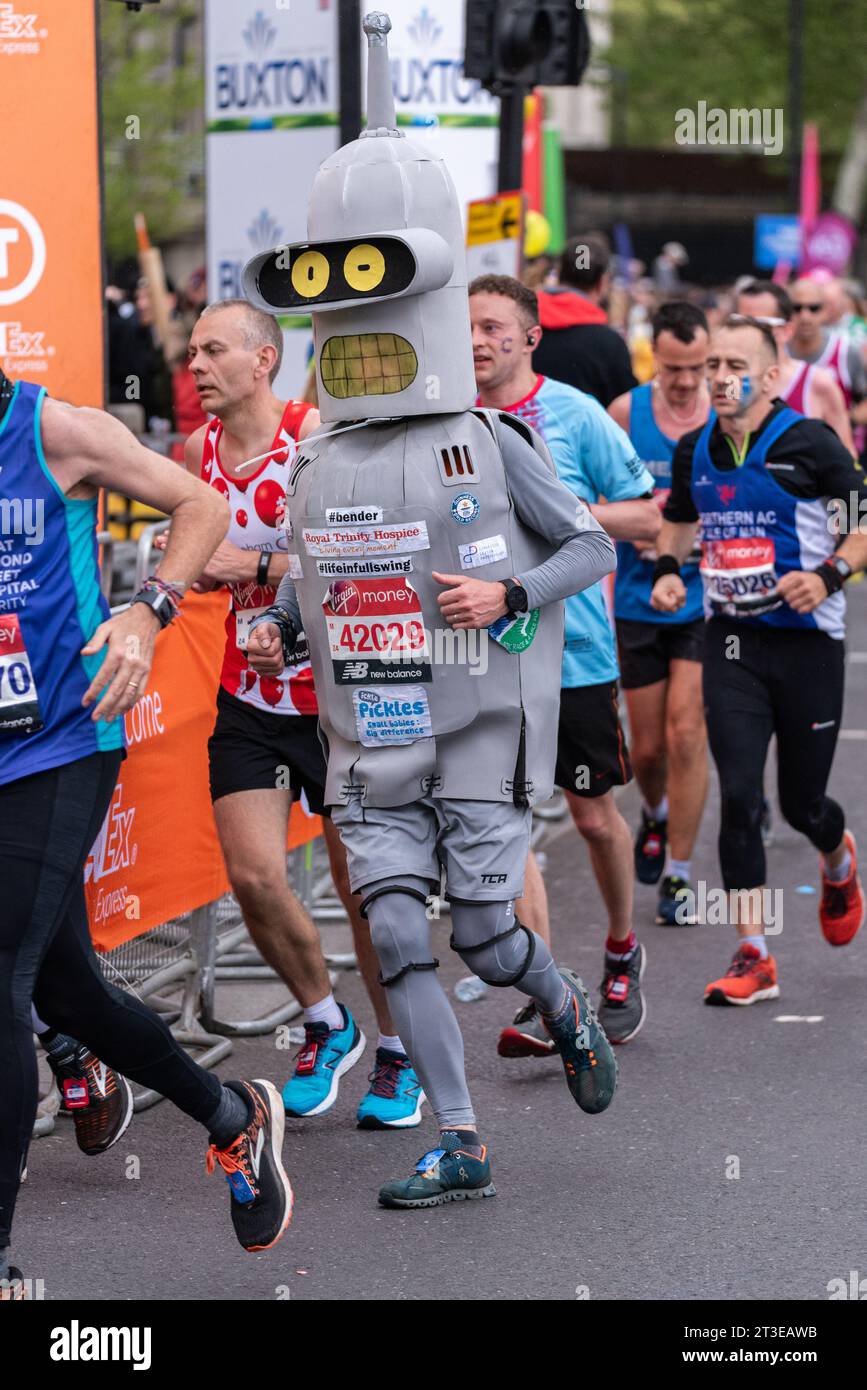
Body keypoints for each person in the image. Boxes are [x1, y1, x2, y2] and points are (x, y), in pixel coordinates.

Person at [246, 10, 620, 1211]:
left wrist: (508, 589)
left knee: (487, 936)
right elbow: (323, 581)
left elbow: (589, 552)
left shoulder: (491, 438)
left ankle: (557, 1001)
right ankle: (459, 1139)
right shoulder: (318, 462)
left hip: (476, 730)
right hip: (368, 737)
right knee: (399, 936)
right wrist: (287, 625)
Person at [0, 368, 293, 1301]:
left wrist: (148, 608)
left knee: (4, 984)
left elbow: (200, 502)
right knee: (67, 988)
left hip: (61, 739)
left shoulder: (53, 430)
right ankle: (231, 1112)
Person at [173, 298, 425, 1130]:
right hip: (248, 695)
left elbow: (380, 548)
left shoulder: (318, 438)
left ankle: (398, 1054)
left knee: (363, 891)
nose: (195, 367)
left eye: (211, 352)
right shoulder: (194, 453)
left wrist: (258, 562)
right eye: (190, 353)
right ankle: (327, 1021)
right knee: (251, 874)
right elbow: (186, 556)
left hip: (342, 697)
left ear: (263, 360)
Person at [651, 316, 867, 1004]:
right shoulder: (694, 451)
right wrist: (666, 567)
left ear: (770, 376)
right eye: (710, 362)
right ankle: (754, 954)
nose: (716, 376)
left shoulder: (810, 444)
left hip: (807, 644)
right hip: (732, 643)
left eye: (733, 364)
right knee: (740, 796)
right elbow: (681, 517)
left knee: (804, 805)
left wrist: (828, 575)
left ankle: (837, 859)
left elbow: (858, 526)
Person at [469, 275, 660, 1048]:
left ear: (528, 337)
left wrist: (550, 514)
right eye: (466, 328)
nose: (477, 340)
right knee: (506, 821)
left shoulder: (574, 415)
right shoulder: (449, 418)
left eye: (492, 327)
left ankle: (620, 950)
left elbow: (646, 516)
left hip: (574, 651)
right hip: (482, 656)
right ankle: (548, 988)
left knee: (590, 815)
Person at [608, 302, 711, 924]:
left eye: (696, 367)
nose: (686, 380)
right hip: (639, 598)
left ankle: (680, 872)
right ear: (656, 360)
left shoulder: (723, 417)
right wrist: (642, 530)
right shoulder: (627, 413)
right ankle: (656, 812)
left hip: (705, 599)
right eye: (674, 368)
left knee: (687, 732)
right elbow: (594, 497)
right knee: (645, 752)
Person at [735, 280, 855, 452]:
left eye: (760, 325)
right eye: (739, 323)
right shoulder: (728, 381)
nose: (746, 333)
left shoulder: (818, 384)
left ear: (786, 331)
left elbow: (847, 463)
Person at [532, 233, 637, 406]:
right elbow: (625, 407)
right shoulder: (609, 343)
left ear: (558, 275)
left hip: (520, 431)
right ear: (602, 282)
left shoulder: (523, 325)